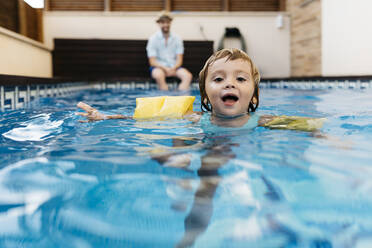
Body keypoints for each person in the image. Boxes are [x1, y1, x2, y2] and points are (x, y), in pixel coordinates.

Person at [76, 48, 324, 132]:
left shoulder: (262, 121)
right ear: (204, 95)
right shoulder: (196, 118)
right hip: (207, 154)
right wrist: (106, 116)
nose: (230, 84)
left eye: (240, 78)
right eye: (218, 79)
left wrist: (326, 137)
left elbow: (308, 125)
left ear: (255, 95)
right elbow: (147, 119)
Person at [146, 11, 193, 91]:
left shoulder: (177, 38)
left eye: (167, 22)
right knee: (158, 75)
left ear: (170, 22)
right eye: (163, 22)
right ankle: (165, 97)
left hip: (174, 67)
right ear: (159, 23)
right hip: (158, 68)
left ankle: (180, 98)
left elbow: (179, 59)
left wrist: (173, 68)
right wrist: (165, 69)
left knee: (188, 76)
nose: (165, 25)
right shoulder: (153, 39)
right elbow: (152, 62)